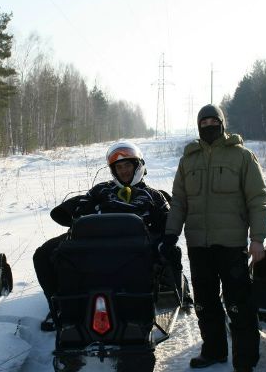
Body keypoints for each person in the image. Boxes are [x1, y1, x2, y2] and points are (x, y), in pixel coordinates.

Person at [161, 104, 266, 372]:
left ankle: (244, 362)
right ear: (198, 126)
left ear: (222, 123)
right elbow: (179, 201)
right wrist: (171, 234)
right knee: (206, 303)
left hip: (232, 245)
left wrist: (257, 239)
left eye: (214, 120)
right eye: (204, 121)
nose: (209, 125)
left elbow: (257, 200)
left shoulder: (242, 156)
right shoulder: (188, 160)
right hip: (198, 245)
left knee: (238, 305)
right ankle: (214, 351)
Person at [34, 141, 172, 331]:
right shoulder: (101, 190)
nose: (124, 171)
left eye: (128, 165)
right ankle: (58, 305)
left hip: (135, 250)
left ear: (138, 166)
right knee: (43, 254)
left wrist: (162, 243)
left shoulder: (153, 195)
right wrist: (79, 212)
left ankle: (163, 292)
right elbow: (80, 210)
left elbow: (167, 223)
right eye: (119, 167)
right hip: (95, 246)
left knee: (170, 252)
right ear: (113, 170)